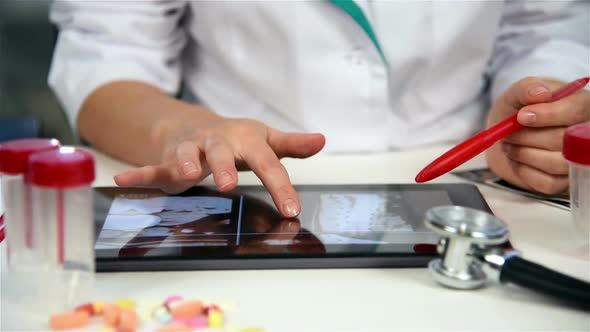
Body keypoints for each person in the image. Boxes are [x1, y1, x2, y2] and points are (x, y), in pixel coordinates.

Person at [48, 1, 590, 218]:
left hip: (479, 178)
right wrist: (187, 128)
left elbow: (545, 26)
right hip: (236, 187)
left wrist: (542, 107)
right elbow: (108, 51)